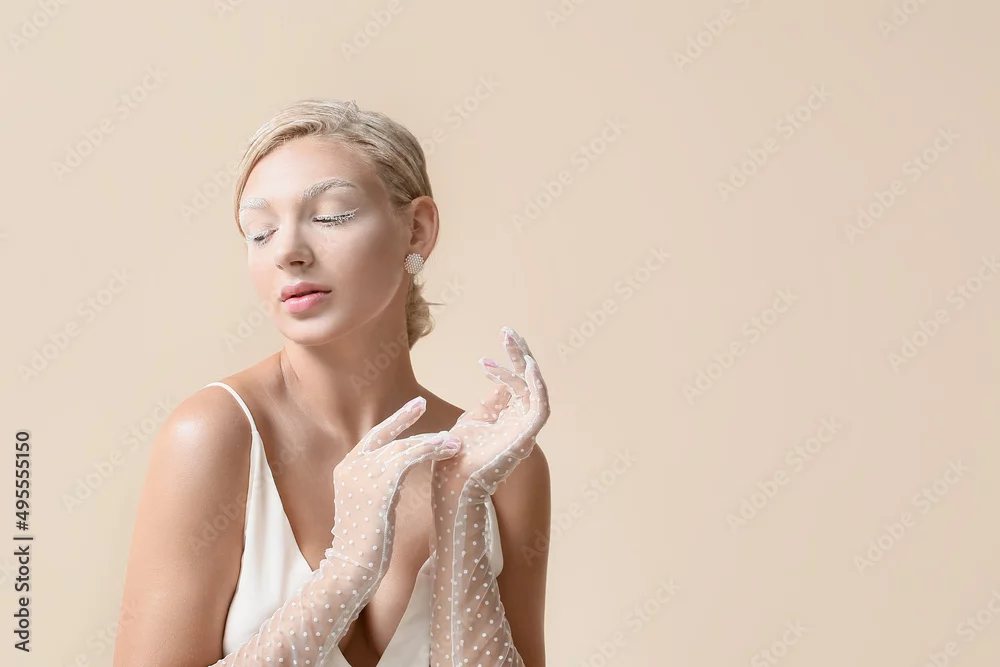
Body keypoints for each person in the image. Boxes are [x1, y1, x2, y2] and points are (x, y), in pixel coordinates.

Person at [112, 99, 552, 667]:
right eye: (260, 232)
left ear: (416, 230)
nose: (288, 252)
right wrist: (343, 575)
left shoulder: (503, 464)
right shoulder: (214, 436)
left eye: (331, 216)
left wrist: (460, 515)